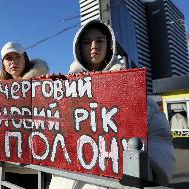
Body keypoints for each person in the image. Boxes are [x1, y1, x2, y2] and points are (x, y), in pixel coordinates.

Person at [49, 20, 175, 188]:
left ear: (109, 45)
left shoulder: (129, 89)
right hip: (68, 181)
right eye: (87, 42)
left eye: (99, 40)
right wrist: (50, 96)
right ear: (78, 48)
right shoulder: (65, 90)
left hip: (114, 182)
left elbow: (160, 138)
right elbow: (51, 133)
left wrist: (147, 168)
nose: (93, 46)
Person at [0, 41, 49, 189]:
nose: (13, 62)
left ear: (25, 58)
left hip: (37, 165)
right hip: (8, 165)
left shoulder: (45, 84)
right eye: (8, 58)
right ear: (3, 64)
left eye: (17, 56)